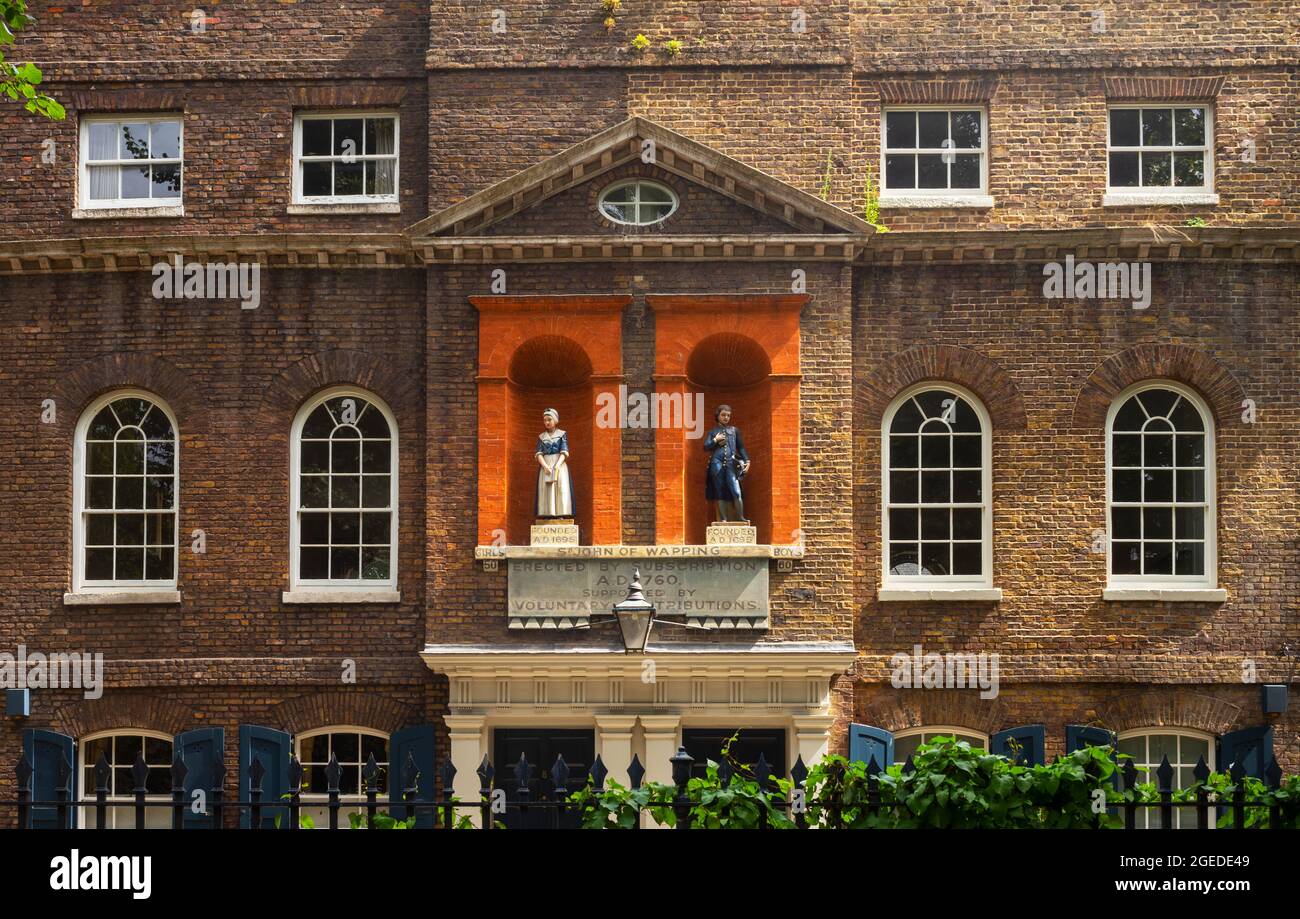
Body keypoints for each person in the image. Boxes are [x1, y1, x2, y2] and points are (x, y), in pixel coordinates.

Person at [704, 404, 750, 523]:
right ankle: (723, 519)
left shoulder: (734, 430)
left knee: (736, 491)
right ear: (718, 416)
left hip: (731, 463)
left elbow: (741, 447)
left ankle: (740, 517)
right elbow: (705, 446)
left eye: (728, 415)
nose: (726, 418)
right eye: (723, 415)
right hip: (716, 463)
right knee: (719, 491)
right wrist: (715, 440)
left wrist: (747, 461)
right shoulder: (713, 431)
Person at [534, 408, 573, 519]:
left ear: (555, 420)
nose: (547, 422)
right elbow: (539, 453)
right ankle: (547, 513)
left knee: (561, 488)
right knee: (546, 489)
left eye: (549, 419)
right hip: (545, 465)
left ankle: (561, 513)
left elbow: (564, 451)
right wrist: (545, 466)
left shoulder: (562, 434)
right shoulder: (541, 437)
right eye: (545, 420)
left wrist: (557, 465)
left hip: (559, 465)